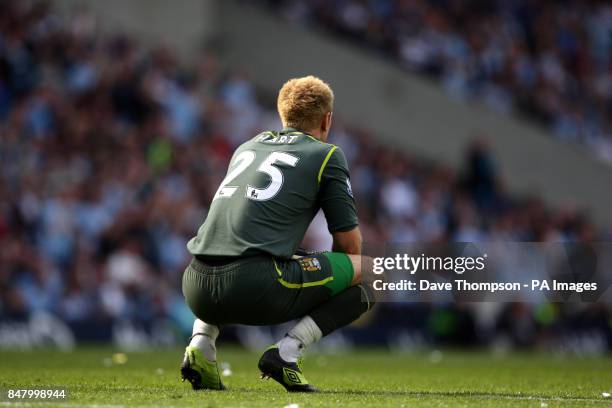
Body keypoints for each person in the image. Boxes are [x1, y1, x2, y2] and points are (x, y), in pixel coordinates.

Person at [180, 75, 374, 393]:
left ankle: (201, 343)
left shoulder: (247, 146)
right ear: (327, 120)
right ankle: (287, 352)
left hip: (196, 287)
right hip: (255, 285)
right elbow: (349, 247)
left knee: (251, 251)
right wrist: (325, 275)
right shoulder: (326, 154)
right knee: (372, 272)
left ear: (283, 114)